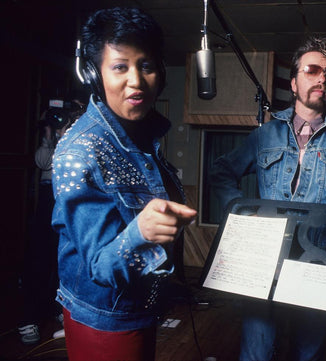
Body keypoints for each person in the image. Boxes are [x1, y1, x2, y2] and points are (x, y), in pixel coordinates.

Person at [210, 36, 326, 361]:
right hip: (264, 257)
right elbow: (221, 172)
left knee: (309, 351)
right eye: (312, 70)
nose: (322, 78)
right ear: (293, 82)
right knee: (257, 349)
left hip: (320, 257)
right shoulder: (265, 134)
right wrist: (245, 215)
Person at [51, 7, 197, 361]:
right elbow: (102, 267)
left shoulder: (141, 133)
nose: (136, 80)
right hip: (107, 319)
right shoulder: (79, 152)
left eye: (146, 66)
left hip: (140, 308)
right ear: (93, 74)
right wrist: (142, 232)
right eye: (120, 67)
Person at [18, 100, 84, 345]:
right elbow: (42, 162)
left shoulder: (80, 135)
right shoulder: (53, 139)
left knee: (68, 258)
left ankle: (61, 309)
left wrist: (70, 129)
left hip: (72, 197)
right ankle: (29, 319)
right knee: (39, 258)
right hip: (49, 197)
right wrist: (49, 135)